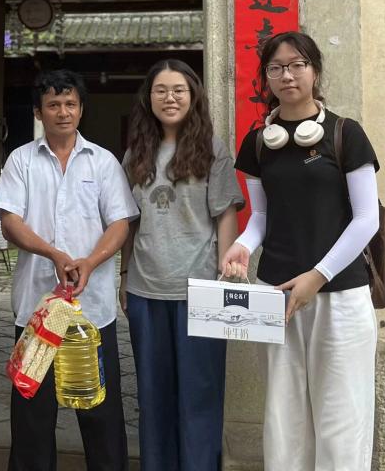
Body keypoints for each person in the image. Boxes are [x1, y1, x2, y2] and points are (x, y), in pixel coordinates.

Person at [221, 31, 380, 471]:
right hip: (277, 295)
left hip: (340, 294)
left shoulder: (346, 134)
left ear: (315, 70)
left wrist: (318, 275)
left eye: (297, 65)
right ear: (265, 77)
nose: (287, 75)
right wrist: (242, 245)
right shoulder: (258, 143)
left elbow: (366, 219)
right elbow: (261, 216)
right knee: (283, 414)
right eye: (276, 68)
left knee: (342, 417)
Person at [0, 69, 138, 471]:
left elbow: (120, 223)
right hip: (36, 312)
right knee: (32, 414)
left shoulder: (103, 162)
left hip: (92, 311)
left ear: (81, 109)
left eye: (70, 103)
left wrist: (90, 261)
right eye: (53, 105)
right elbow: (10, 221)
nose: (63, 112)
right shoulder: (21, 160)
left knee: (101, 413)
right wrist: (53, 253)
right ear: (39, 112)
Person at [120, 59, 244, 471]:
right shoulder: (136, 153)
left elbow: (226, 213)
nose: (169, 98)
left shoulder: (211, 148)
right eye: (161, 90)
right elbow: (128, 222)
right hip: (145, 289)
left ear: (193, 96)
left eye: (179, 90)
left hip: (200, 289)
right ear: (149, 98)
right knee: (152, 396)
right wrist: (124, 275)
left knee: (199, 395)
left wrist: (225, 277)